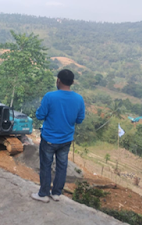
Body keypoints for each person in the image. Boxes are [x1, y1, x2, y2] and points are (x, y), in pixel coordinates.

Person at [31, 69, 85, 203]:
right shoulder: (79, 99)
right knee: (62, 166)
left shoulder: (50, 96)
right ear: (72, 82)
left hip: (49, 139)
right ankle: (56, 193)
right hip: (66, 140)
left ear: (58, 80)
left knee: (46, 165)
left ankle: (43, 194)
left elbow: (40, 115)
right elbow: (79, 119)